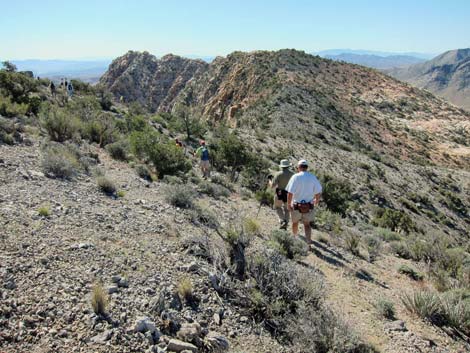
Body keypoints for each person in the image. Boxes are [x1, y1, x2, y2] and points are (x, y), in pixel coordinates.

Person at [286, 159, 322, 246]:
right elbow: (318, 191)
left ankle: (294, 238)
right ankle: (308, 243)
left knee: (295, 223)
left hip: (296, 205)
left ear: (299, 167)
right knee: (307, 225)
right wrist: (316, 201)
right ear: (306, 167)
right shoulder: (312, 177)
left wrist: (288, 204)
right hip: (309, 206)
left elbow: (290, 192)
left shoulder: (295, 177)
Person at [270, 159, 294, 229]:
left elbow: (273, 186)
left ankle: (282, 220)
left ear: (282, 166)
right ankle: (286, 222)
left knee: (277, 207)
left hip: (280, 193)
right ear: (288, 166)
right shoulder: (293, 174)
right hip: (289, 194)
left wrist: (270, 181)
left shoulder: (278, 174)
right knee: (287, 209)